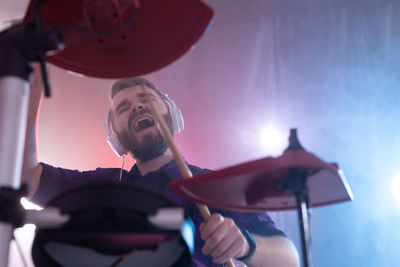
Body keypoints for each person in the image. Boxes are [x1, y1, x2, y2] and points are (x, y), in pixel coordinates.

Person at [22, 69, 300, 267]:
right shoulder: (105, 187)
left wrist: (245, 246)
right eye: (123, 108)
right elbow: (27, 178)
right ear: (116, 138)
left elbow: (289, 259)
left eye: (146, 100)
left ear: (170, 114)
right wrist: (29, 95)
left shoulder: (215, 186)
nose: (136, 108)